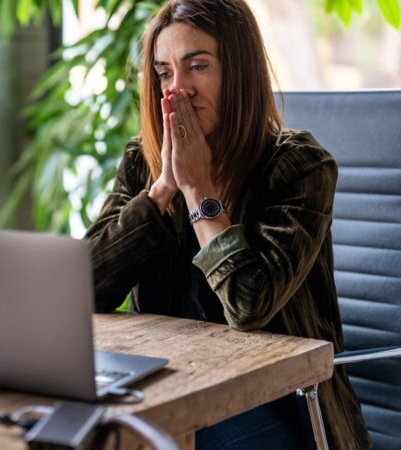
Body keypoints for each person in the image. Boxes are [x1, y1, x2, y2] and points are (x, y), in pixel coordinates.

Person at [84, 0, 370, 448]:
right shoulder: (145, 162)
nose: (178, 89)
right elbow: (83, 287)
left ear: (239, 73)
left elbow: (249, 305)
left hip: (285, 401)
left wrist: (198, 193)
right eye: (164, 73)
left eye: (197, 66)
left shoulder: (298, 168)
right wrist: (162, 190)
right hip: (172, 382)